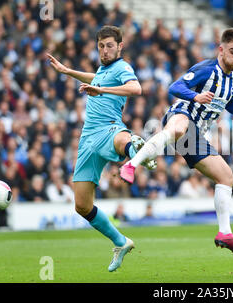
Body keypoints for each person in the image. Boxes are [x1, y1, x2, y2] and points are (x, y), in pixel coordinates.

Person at [120, 28, 233, 255]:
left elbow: (229, 102)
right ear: (221, 49)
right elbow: (175, 87)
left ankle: (225, 233)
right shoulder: (206, 69)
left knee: (226, 176)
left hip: (197, 135)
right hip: (182, 114)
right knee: (178, 127)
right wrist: (195, 96)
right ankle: (131, 164)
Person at [47, 25, 156, 272]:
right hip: (87, 139)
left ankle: (135, 151)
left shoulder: (122, 67)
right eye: (101, 46)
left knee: (120, 139)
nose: (104, 51)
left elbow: (136, 89)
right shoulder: (103, 70)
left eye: (109, 46)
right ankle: (120, 242)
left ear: (120, 46)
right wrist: (66, 71)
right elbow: (94, 78)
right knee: (82, 205)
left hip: (109, 128)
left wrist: (101, 90)